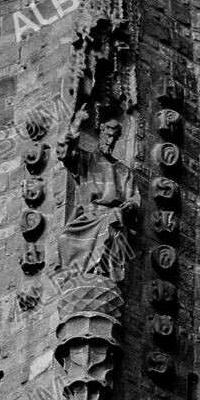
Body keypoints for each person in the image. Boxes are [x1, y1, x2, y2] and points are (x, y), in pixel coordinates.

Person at [55, 105, 139, 281]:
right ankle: (80, 278)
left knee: (115, 219)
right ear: (101, 133)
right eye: (108, 135)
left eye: (114, 138)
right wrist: (77, 123)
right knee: (65, 238)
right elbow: (64, 152)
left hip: (112, 215)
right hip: (88, 216)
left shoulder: (123, 170)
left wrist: (130, 204)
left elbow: (134, 197)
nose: (110, 141)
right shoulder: (86, 159)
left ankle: (105, 275)